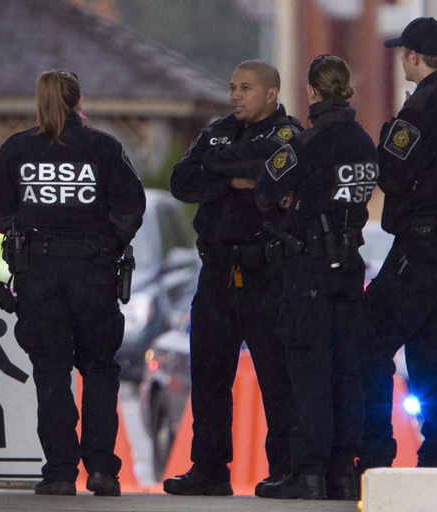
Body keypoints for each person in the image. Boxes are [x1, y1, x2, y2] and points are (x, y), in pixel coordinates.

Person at [0, 70, 146, 496]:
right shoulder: (104, 147)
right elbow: (132, 207)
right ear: (80, 101)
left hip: (38, 276)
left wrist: (31, 232)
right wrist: (105, 243)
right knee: (98, 369)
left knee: (51, 372)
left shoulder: (18, 149)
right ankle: (101, 471)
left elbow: (0, 211)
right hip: (93, 273)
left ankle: (59, 472)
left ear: (39, 104)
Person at [359, 17, 437, 471]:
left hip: (419, 245)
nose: (400, 61)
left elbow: (390, 174)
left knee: (369, 341)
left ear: (414, 57)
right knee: (433, 353)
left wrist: (389, 131)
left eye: (403, 54)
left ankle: (374, 453)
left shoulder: (421, 108)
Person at [164, 59, 299, 497]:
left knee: (277, 378)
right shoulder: (216, 130)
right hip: (217, 271)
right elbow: (181, 180)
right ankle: (209, 469)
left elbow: (271, 168)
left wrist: (217, 167)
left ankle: (285, 469)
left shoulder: (287, 134)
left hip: (265, 273)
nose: (236, 95)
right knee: (208, 376)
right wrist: (232, 179)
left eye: (246, 87)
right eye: (232, 86)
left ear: (271, 94)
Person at [253, 55, 377, 500]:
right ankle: (343, 472)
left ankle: (308, 473)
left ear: (310, 93)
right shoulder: (365, 142)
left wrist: (292, 199)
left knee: (309, 374)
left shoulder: (307, 143)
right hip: (348, 270)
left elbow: (267, 192)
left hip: (308, 271)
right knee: (347, 372)